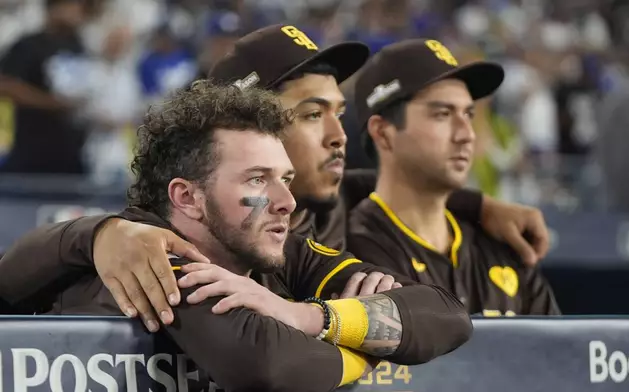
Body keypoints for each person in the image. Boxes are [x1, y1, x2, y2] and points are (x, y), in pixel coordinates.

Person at [0, 24, 549, 331]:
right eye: (310, 114)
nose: (339, 134)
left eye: (338, 111)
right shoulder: (182, 239)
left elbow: (383, 188)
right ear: (245, 127)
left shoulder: (335, 210)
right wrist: (97, 234)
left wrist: (476, 206)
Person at [2, 82, 472, 391]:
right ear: (187, 198)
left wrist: (308, 316)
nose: (286, 201)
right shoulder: (145, 257)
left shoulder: (279, 251)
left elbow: (447, 315)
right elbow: (269, 367)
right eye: (256, 180)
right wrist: (366, 351)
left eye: (285, 179)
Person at [348, 39, 560, 316]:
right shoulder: (346, 250)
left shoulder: (503, 246)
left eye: (468, 114)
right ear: (384, 133)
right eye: (442, 114)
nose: (466, 134)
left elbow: (560, 355)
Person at [0, 0, 88, 174]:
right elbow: (5, 85)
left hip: (70, 152)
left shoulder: (77, 45)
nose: (77, 11)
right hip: (33, 150)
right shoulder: (28, 45)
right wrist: (51, 103)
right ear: (53, 8)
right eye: (71, 5)